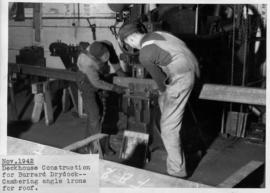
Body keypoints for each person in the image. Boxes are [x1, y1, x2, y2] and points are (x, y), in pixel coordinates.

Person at [118, 23, 200, 178]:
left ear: (130, 39)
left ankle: (177, 172)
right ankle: (173, 148)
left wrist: (164, 92)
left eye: (128, 43)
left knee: (168, 128)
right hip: (193, 68)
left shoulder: (145, 53)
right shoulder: (159, 34)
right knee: (164, 105)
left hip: (181, 78)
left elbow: (160, 80)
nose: (129, 46)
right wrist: (164, 96)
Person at [76, 41, 125, 155]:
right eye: (103, 57)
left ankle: (87, 145)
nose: (106, 57)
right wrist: (114, 88)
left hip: (96, 76)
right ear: (95, 57)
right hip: (86, 82)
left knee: (97, 115)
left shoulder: (107, 44)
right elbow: (96, 83)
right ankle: (95, 149)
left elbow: (112, 57)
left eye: (106, 54)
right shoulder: (86, 62)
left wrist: (119, 71)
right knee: (95, 115)